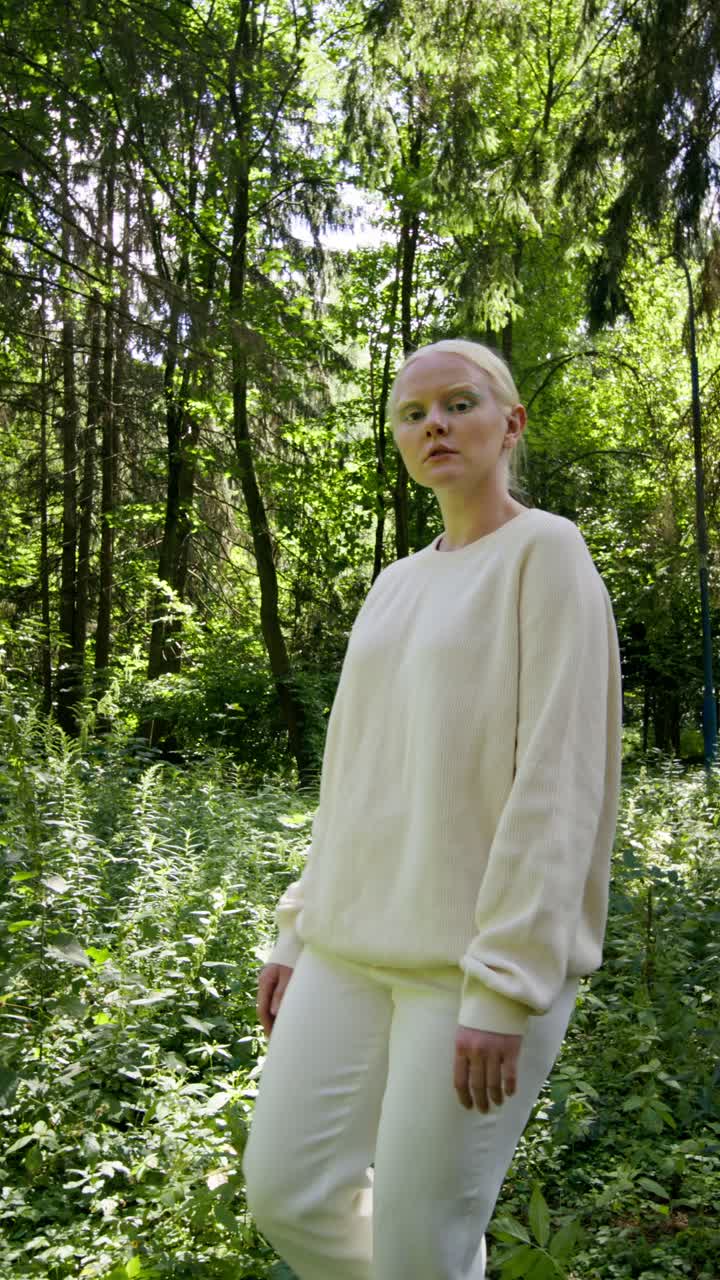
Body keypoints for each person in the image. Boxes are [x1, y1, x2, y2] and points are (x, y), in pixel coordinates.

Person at [242, 339, 623, 1280]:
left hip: (472, 969)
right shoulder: (395, 584)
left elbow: (560, 782)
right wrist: (297, 932)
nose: (435, 426)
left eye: (458, 404)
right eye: (413, 415)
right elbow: (355, 775)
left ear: (511, 424)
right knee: (285, 1192)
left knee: (422, 1246)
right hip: (349, 944)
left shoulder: (547, 553)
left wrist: (505, 982)